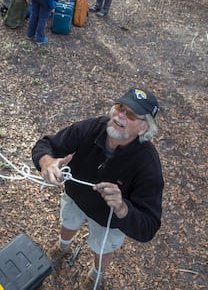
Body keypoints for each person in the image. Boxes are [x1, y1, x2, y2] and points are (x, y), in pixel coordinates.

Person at [32, 87, 163, 289]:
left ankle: (95, 275)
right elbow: (46, 144)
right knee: (68, 221)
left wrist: (122, 208)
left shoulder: (148, 165)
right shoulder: (93, 127)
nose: (120, 115)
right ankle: (62, 247)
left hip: (108, 221)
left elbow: (148, 227)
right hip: (75, 198)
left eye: (130, 114)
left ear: (144, 128)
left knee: (100, 249)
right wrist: (46, 161)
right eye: (120, 107)